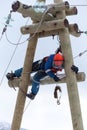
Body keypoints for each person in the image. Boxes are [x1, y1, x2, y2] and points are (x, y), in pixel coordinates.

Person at [6, 47, 79, 100]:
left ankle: (33, 94)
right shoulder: (51, 59)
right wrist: (53, 77)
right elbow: (47, 69)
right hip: (41, 65)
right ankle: (14, 74)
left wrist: (76, 70)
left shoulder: (64, 63)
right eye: (56, 63)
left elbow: (71, 67)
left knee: (36, 78)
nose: (57, 65)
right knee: (27, 68)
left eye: (59, 64)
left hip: (47, 71)